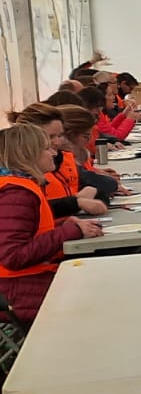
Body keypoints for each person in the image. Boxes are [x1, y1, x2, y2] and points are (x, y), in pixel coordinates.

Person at [0, 124, 104, 322]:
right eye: (47, 148)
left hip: (20, 286)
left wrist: (62, 225)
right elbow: (13, 256)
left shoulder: (18, 187)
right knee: (101, 296)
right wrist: (69, 231)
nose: (54, 153)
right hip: (17, 291)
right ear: (28, 154)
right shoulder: (16, 194)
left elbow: (24, 233)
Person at [7, 104, 107, 219]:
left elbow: (99, 189)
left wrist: (92, 192)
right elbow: (33, 213)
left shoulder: (59, 160)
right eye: (50, 137)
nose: (58, 142)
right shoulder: (15, 180)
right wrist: (75, 203)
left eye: (59, 135)